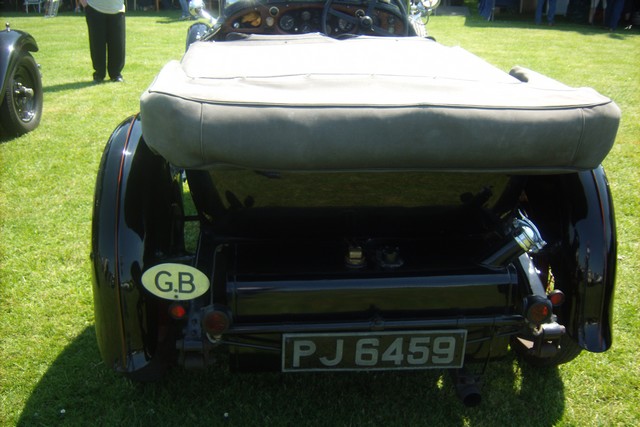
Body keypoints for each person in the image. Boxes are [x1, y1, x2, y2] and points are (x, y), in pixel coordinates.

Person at [80, 0, 126, 83]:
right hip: (94, 8)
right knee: (97, 44)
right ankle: (99, 74)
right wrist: (85, 4)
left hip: (117, 9)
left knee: (118, 45)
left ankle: (116, 75)